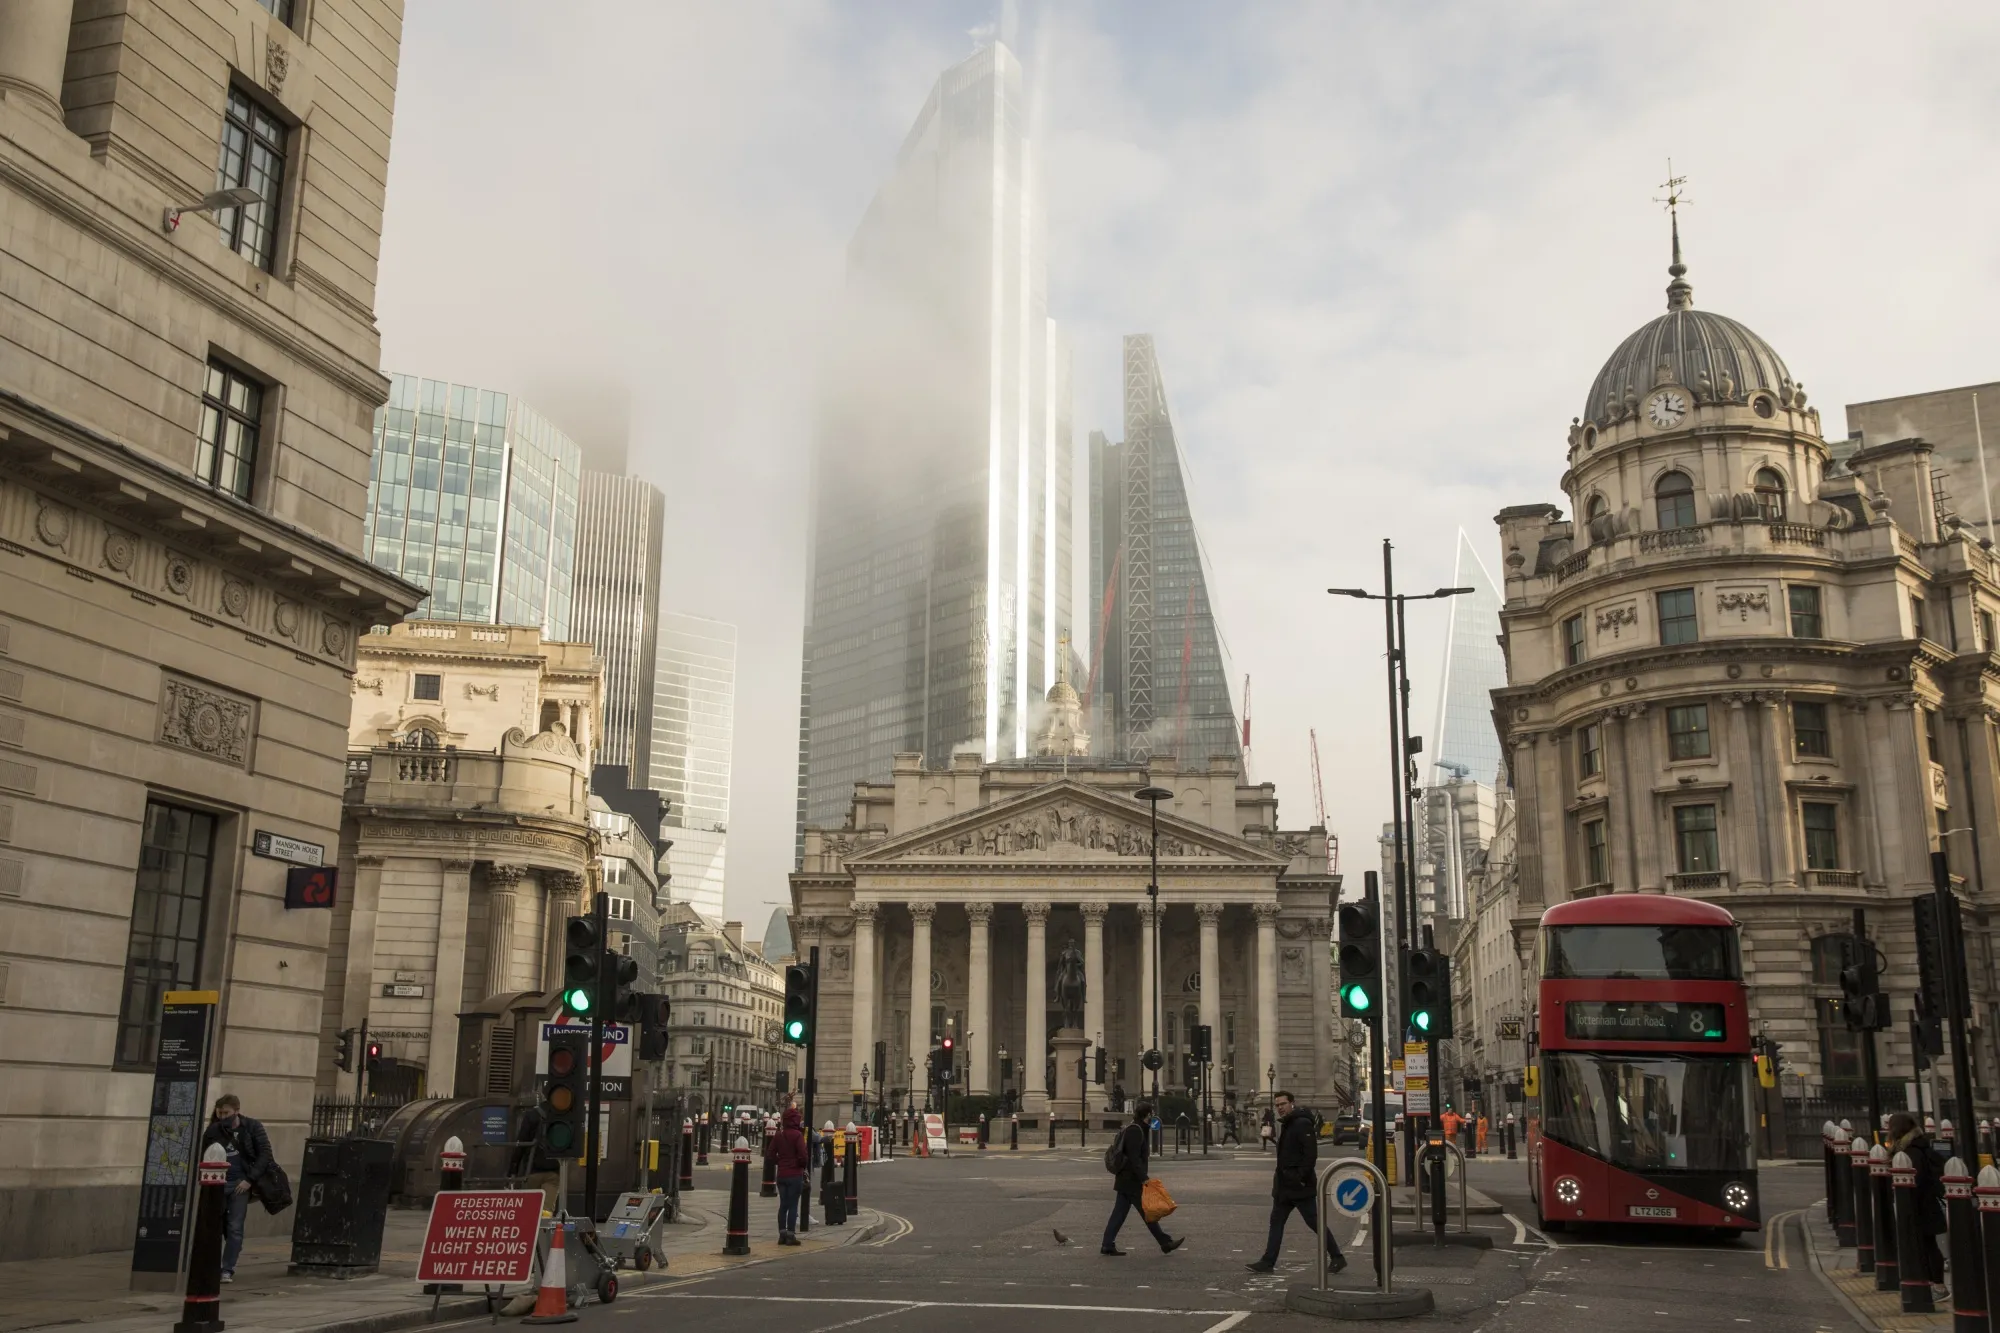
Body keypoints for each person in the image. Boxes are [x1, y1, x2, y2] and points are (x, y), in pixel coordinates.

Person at [1247, 1090, 1346, 1274]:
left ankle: (1337, 1257)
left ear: (1292, 1103)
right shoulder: (1288, 1123)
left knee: (1315, 1223)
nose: (1280, 1108)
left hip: (1299, 1187)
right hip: (1284, 1187)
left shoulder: (1301, 1123)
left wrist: (1299, 1177)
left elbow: (1310, 1154)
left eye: (1283, 1104)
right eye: (1277, 1105)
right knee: (1276, 1223)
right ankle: (1268, 1261)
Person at [200, 1094, 273, 1283]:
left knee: (234, 1227)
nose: (223, 1116)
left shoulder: (252, 1127)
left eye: (227, 1112)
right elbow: (204, 1153)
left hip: (240, 1184)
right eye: (220, 1112)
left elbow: (265, 1153)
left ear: (237, 1111)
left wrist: (249, 1179)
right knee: (215, 1225)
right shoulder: (213, 1130)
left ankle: (227, 1268)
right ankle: (212, 1264)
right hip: (217, 1183)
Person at [1102, 1102, 1185, 1256]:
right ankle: (1165, 1242)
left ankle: (1107, 1244)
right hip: (1131, 1180)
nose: (1152, 1116)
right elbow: (1134, 1158)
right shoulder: (1135, 1130)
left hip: (1126, 1180)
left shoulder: (1137, 1128)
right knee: (1148, 1212)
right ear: (1147, 1115)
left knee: (1119, 1214)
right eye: (1151, 1113)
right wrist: (1144, 1179)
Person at [1887, 1112, 1949, 1297]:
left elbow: (1917, 1181)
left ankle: (1937, 1286)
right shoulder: (1916, 1146)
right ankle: (1932, 1283)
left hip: (1920, 1206)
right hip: (1924, 1204)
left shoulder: (1911, 1151)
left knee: (1926, 1245)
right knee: (1926, 1244)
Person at [770, 1105, 810, 1245]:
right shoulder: (797, 1135)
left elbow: (770, 1154)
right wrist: (800, 1165)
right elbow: (803, 1156)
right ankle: (790, 1235)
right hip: (794, 1174)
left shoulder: (778, 1135)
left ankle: (781, 1234)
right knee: (793, 1205)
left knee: (783, 1205)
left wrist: (780, 1162)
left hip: (781, 1175)